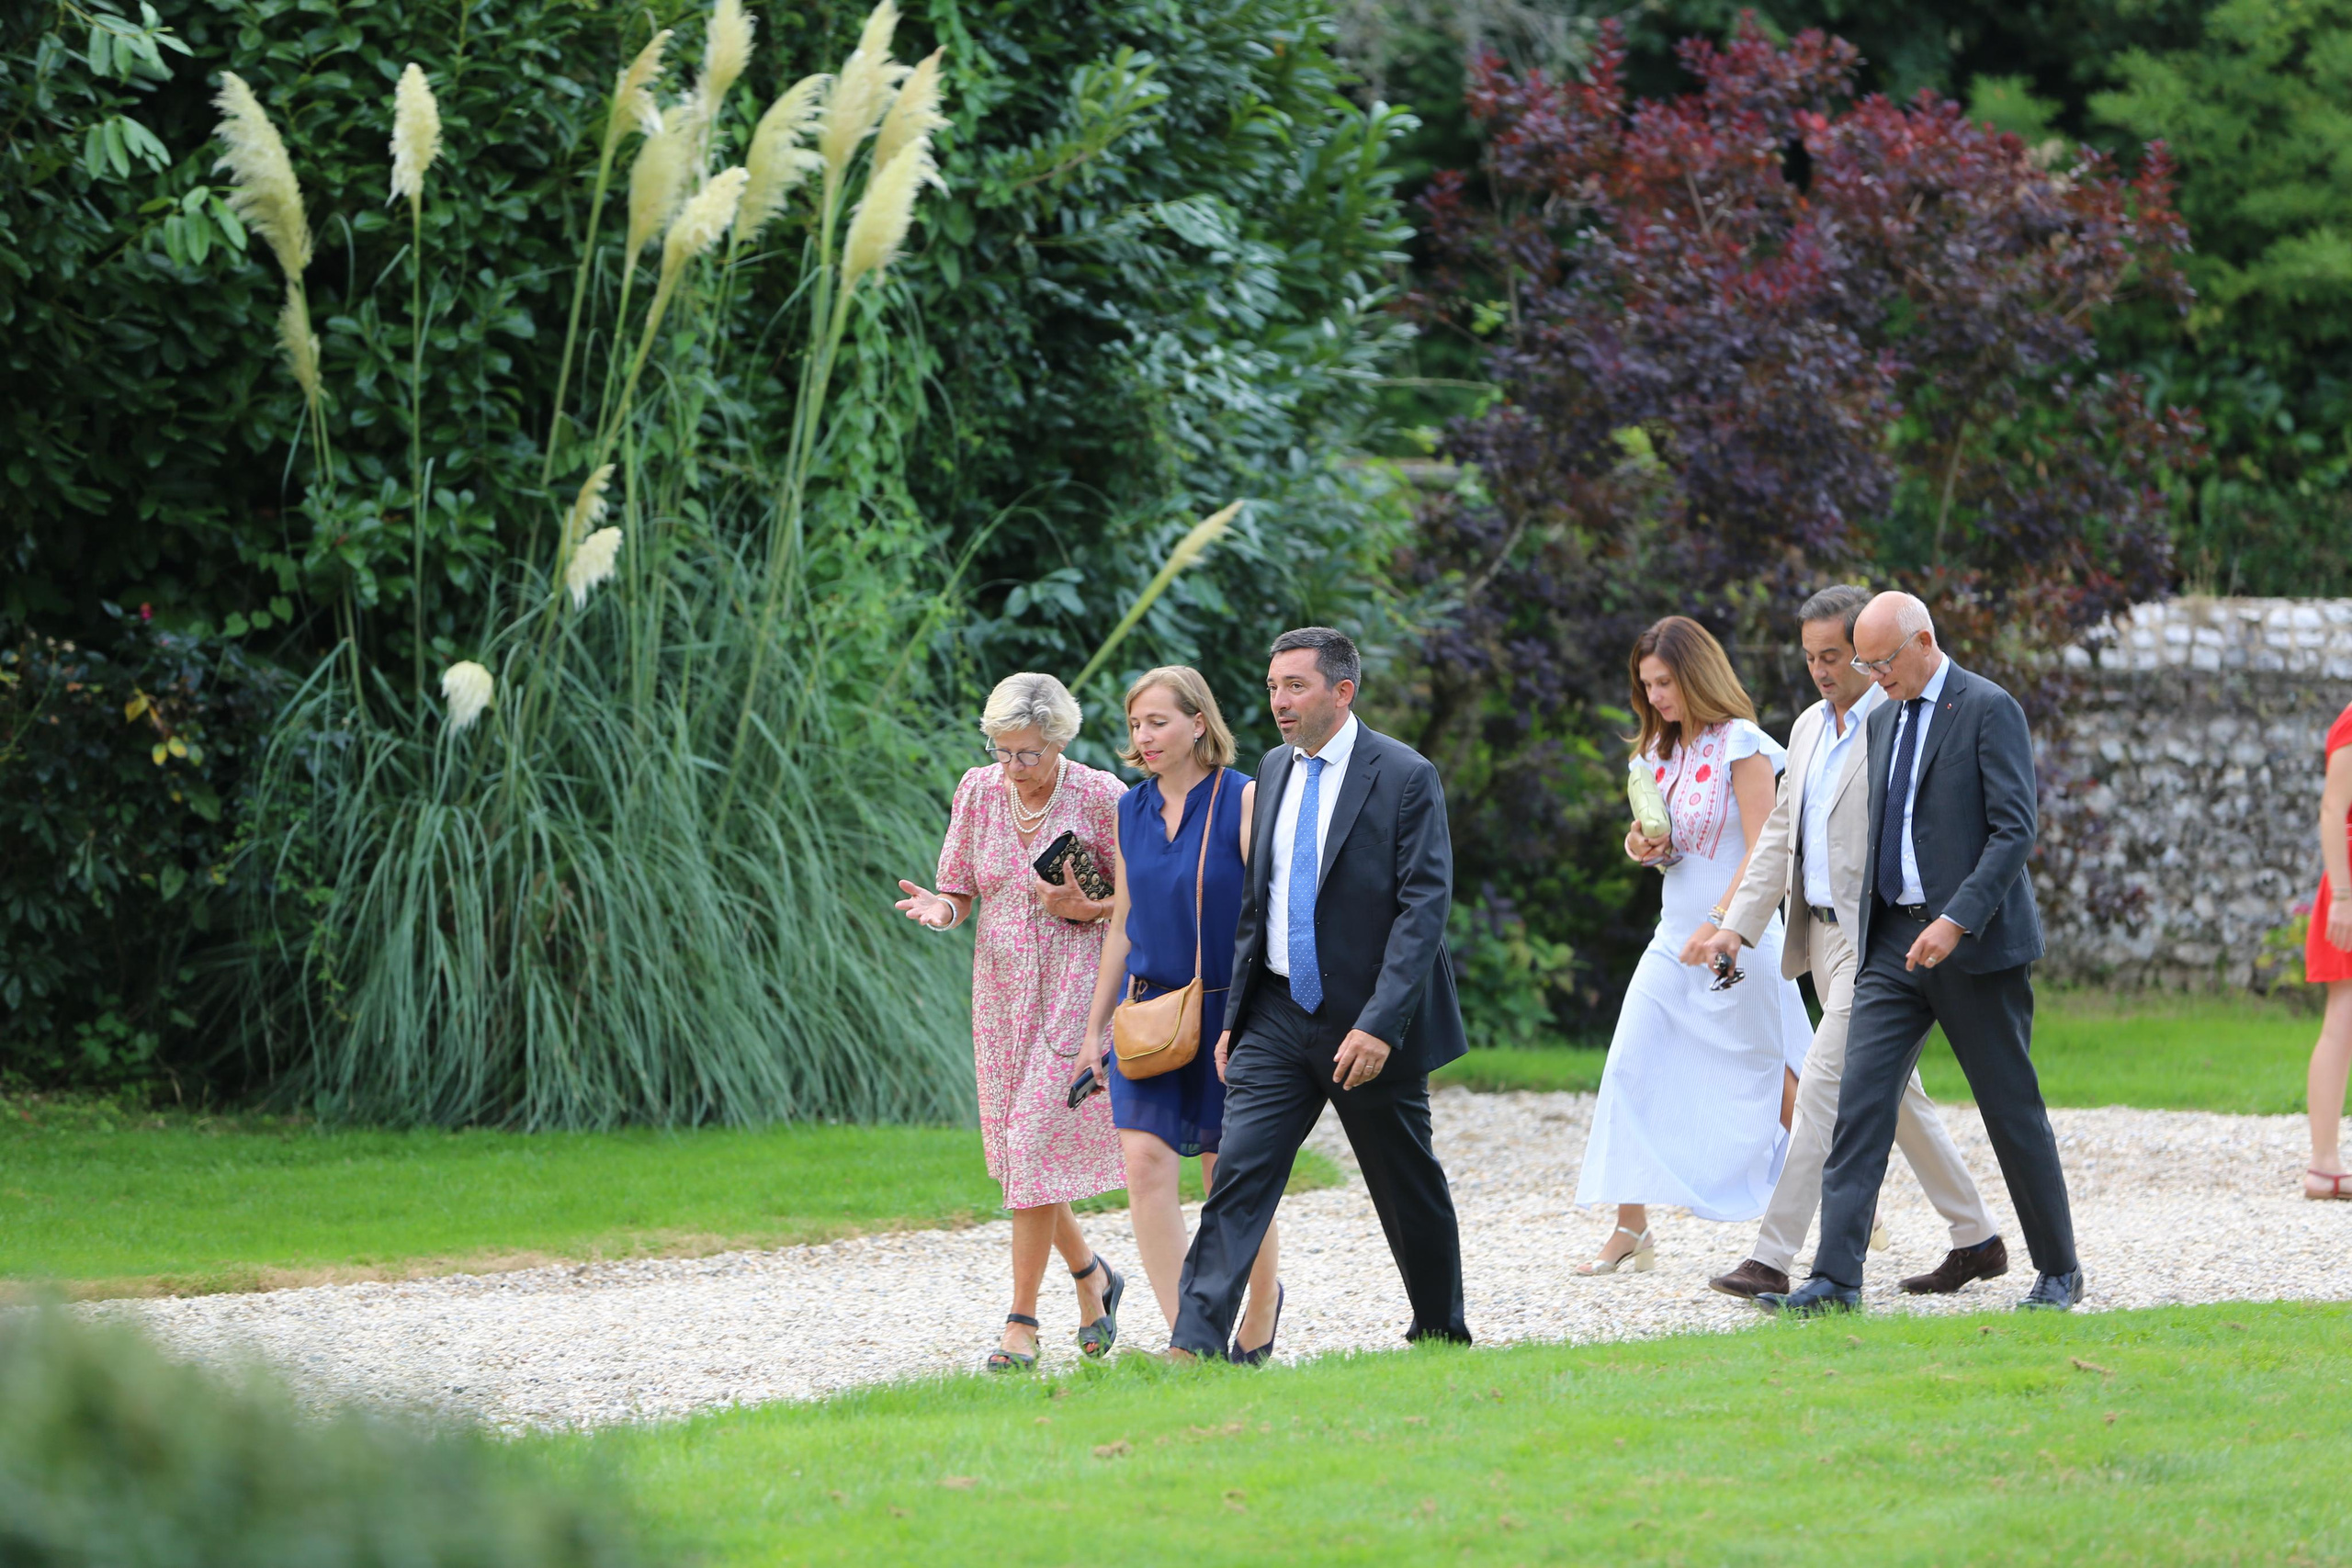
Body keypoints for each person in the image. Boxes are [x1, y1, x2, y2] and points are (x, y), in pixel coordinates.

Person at [1760, 592, 2083, 1317]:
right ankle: (1835, 1280)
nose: (1875, 677)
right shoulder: (1883, 714)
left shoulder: (1988, 707)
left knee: (2011, 1108)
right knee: (1858, 1101)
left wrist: (1957, 920)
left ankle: (2059, 1270)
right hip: (1891, 944)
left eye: (1882, 661)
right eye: (1866, 664)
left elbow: (2013, 831)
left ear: (1923, 640)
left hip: (1973, 944)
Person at [1166, 627, 1472, 1361]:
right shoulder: (1272, 769)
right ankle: (1195, 1343)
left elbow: (1422, 910)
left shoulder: (1403, 774)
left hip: (1366, 1023)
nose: (1278, 701)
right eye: (1273, 686)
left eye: (1295, 686)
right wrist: (1237, 1015)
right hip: (1275, 1012)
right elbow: (1257, 903)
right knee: (1238, 1173)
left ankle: (1440, 1332)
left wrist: (1380, 1024)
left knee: (1406, 1184)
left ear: (1342, 691)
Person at [1697, 586, 2004, 1302]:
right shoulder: (1807, 727)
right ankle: (1977, 1237)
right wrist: (1736, 926)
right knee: (1899, 1098)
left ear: (1867, 651)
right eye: (1810, 658)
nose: (1823, 671)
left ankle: (1773, 1255)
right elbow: (1781, 835)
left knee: (1825, 1088)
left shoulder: (1898, 722)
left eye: (1834, 655)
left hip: (1880, 944)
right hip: (1821, 937)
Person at [894, 672, 1129, 1370]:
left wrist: (1079, 907)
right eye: (1002, 749)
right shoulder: (977, 789)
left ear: (1058, 742)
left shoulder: (1100, 796)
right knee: (1018, 1159)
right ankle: (1094, 1278)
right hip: (999, 998)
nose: (1012, 766)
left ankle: (1020, 1322)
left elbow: (1136, 903)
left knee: (1028, 1144)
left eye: (1027, 753)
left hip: (1075, 993)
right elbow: (960, 885)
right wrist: (944, 909)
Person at [1572, 616, 1812, 1273]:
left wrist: (1721, 922)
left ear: (1696, 675)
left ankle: (1854, 1197)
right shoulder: (1656, 756)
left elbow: (1767, 845)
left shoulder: (1745, 744)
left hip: (1741, 932)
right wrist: (1638, 845)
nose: (1654, 697)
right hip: (1671, 934)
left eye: (1665, 682)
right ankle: (1632, 1230)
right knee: (1627, 1064)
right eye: (1646, 685)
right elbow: (1663, 844)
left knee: (1782, 1079)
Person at [1079, 667, 1283, 1352]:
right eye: (1137, 724)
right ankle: (1187, 1336)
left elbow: (1269, 914)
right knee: (1143, 1164)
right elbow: (1121, 925)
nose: (1144, 735)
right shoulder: (1128, 809)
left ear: (1200, 721)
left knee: (1229, 1175)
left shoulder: (1245, 799)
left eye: (1158, 721)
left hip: (1232, 1016)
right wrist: (1090, 1032)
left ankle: (1259, 1309)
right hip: (1149, 1017)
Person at [2301, 696, 2352, 1200]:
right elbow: (2333, 807)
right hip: (2351, 885)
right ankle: (2323, 1164)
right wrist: (2341, 895)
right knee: (2345, 1014)